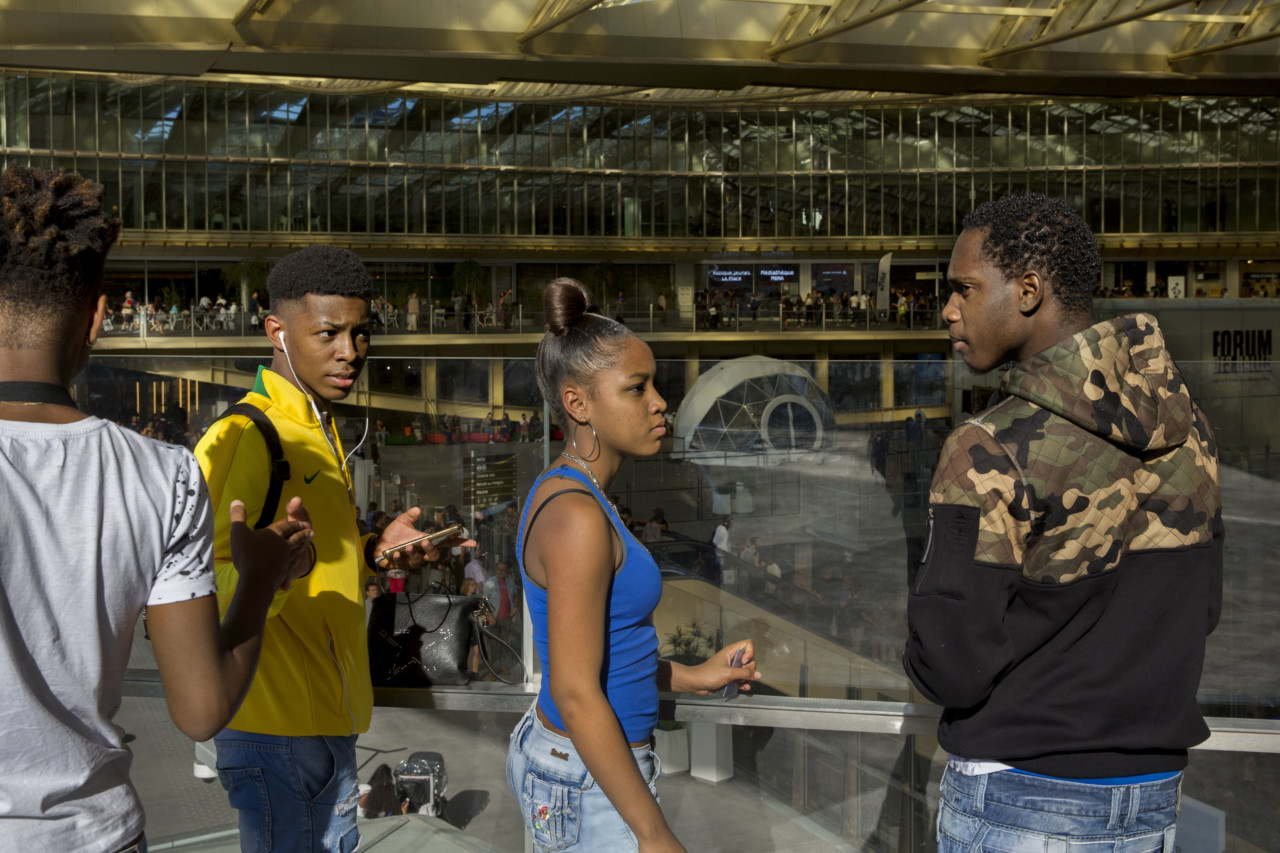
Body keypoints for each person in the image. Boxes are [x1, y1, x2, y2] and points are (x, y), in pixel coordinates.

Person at [0, 165, 315, 851]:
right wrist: (261, 578)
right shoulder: (162, 475)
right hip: (97, 834)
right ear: (98, 316)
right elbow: (201, 710)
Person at [903, 193, 1223, 852]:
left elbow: (952, 663)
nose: (948, 310)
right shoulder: (1190, 429)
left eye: (964, 288)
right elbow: (1203, 607)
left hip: (1020, 797)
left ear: (1027, 291)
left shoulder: (988, 448)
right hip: (1152, 797)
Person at [195, 245, 465, 853]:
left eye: (361, 332)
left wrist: (373, 550)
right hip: (276, 733)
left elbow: (310, 556)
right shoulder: (243, 437)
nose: (350, 352)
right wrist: (275, 576)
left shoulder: (317, 429)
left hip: (321, 725)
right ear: (277, 332)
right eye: (328, 333)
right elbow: (195, 589)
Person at [506, 278, 759, 853]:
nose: (659, 402)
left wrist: (696, 676)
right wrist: (653, 833)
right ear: (578, 403)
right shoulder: (576, 515)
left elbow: (610, 658)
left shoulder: (577, 495)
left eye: (655, 385)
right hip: (591, 778)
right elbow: (576, 692)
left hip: (590, 769)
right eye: (637, 388)